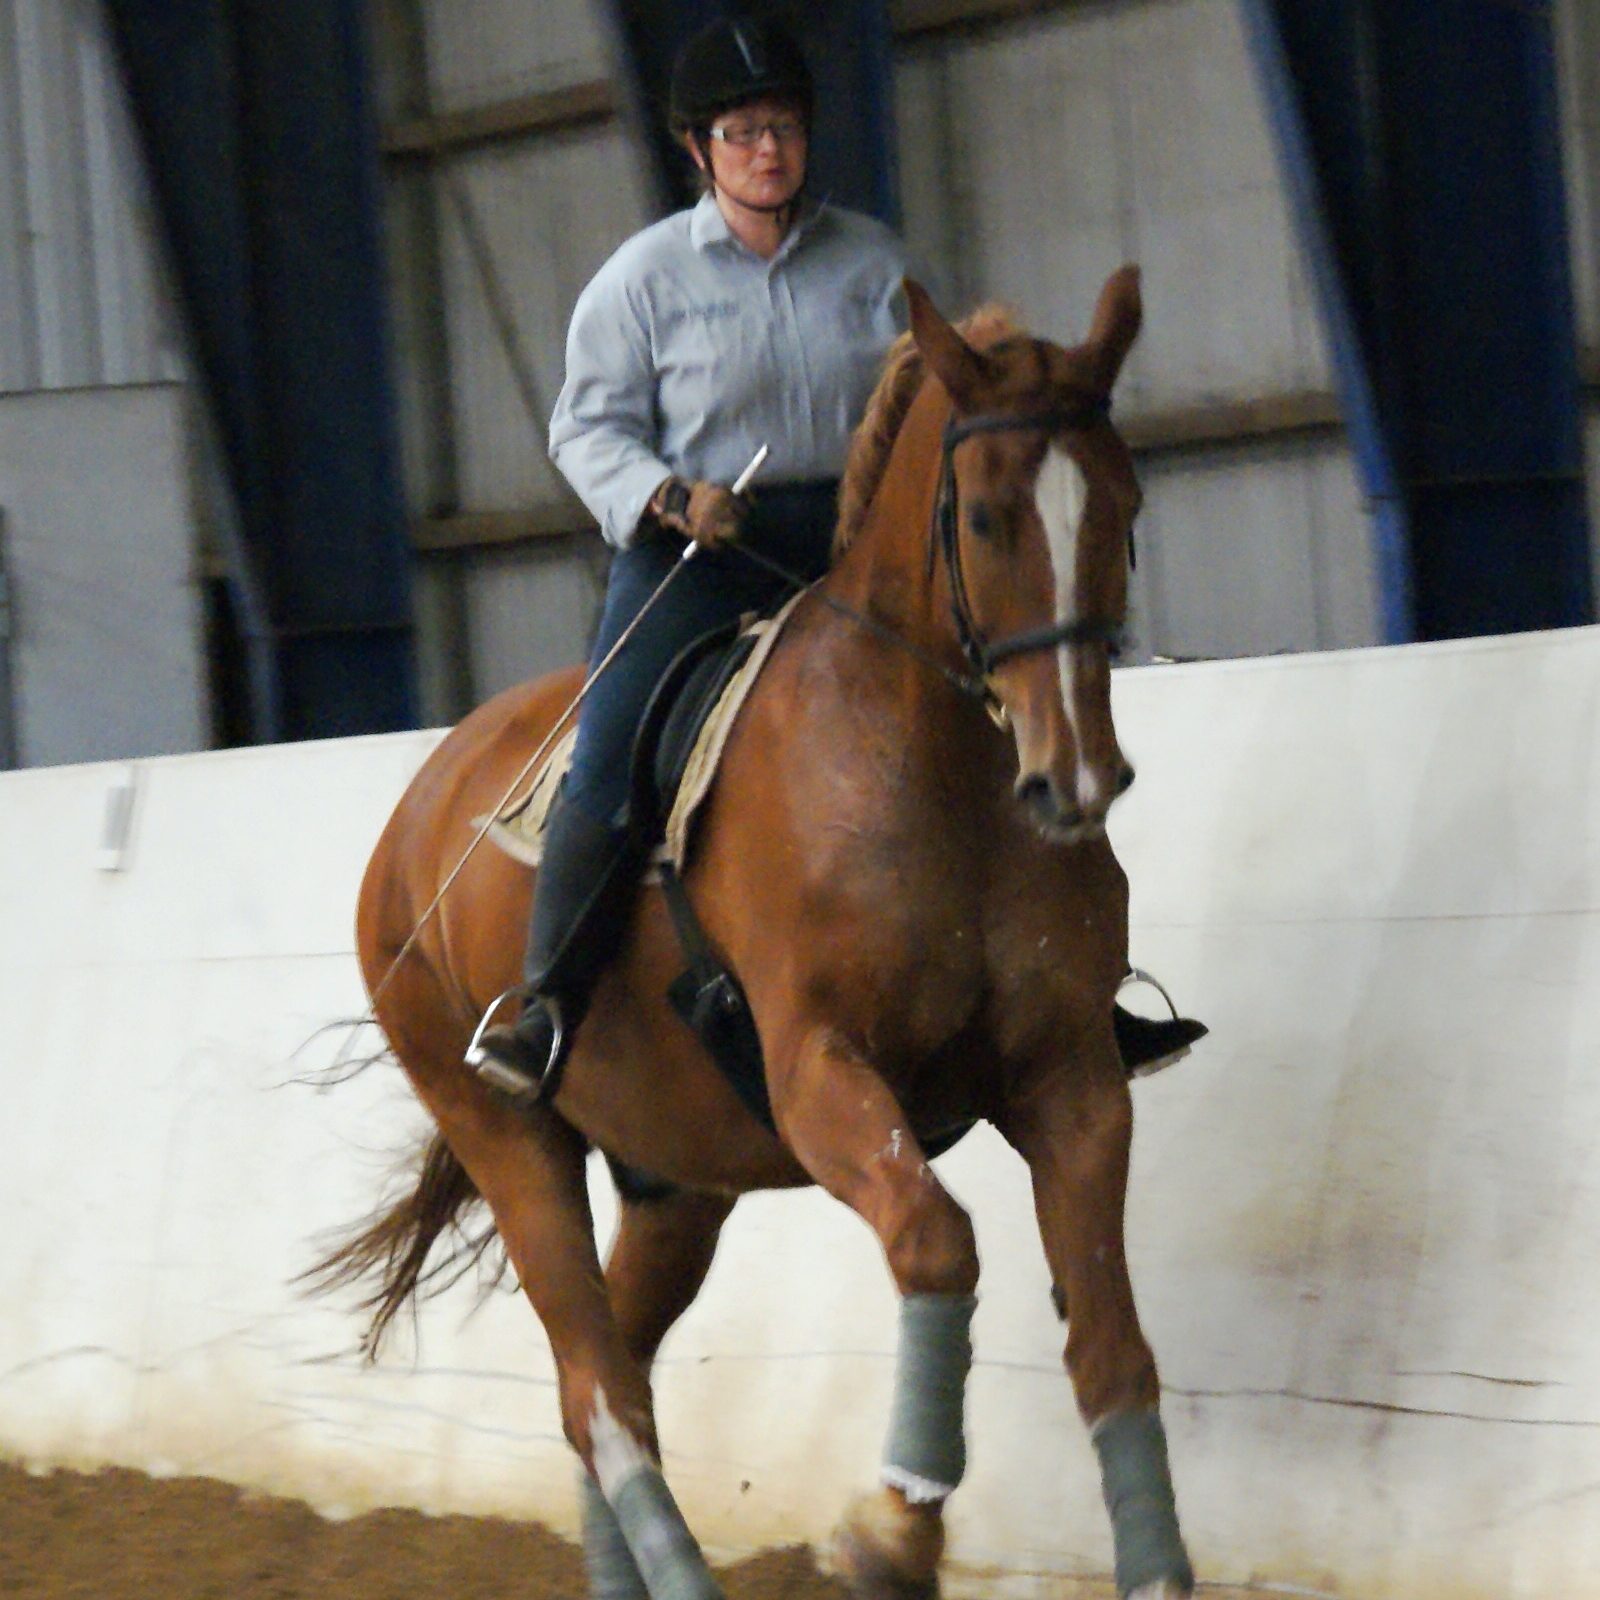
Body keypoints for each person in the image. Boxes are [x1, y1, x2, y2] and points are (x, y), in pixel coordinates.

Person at [474, 16, 1203, 1094]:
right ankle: (546, 1002)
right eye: (742, 131)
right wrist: (673, 494)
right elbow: (582, 432)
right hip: (702, 548)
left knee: (1009, 705)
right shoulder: (641, 283)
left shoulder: (875, 262)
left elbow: (935, 403)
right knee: (616, 739)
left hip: (857, 545)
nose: (768, 150)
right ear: (698, 149)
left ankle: (1084, 989)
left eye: (784, 128)